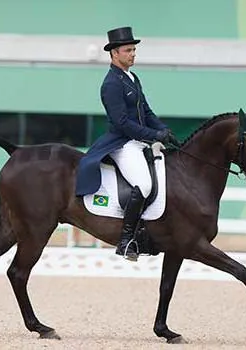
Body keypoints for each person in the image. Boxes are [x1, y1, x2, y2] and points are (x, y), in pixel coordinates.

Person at [75, 26, 180, 261]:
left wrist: (163, 130)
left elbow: (147, 112)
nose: (133, 54)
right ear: (114, 53)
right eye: (128, 50)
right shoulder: (111, 83)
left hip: (139, 142)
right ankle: (126, 241)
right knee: (143, 184)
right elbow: (122, 123)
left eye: (134, 49)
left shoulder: (133, 78)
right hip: (123, 143)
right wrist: (154, 136)